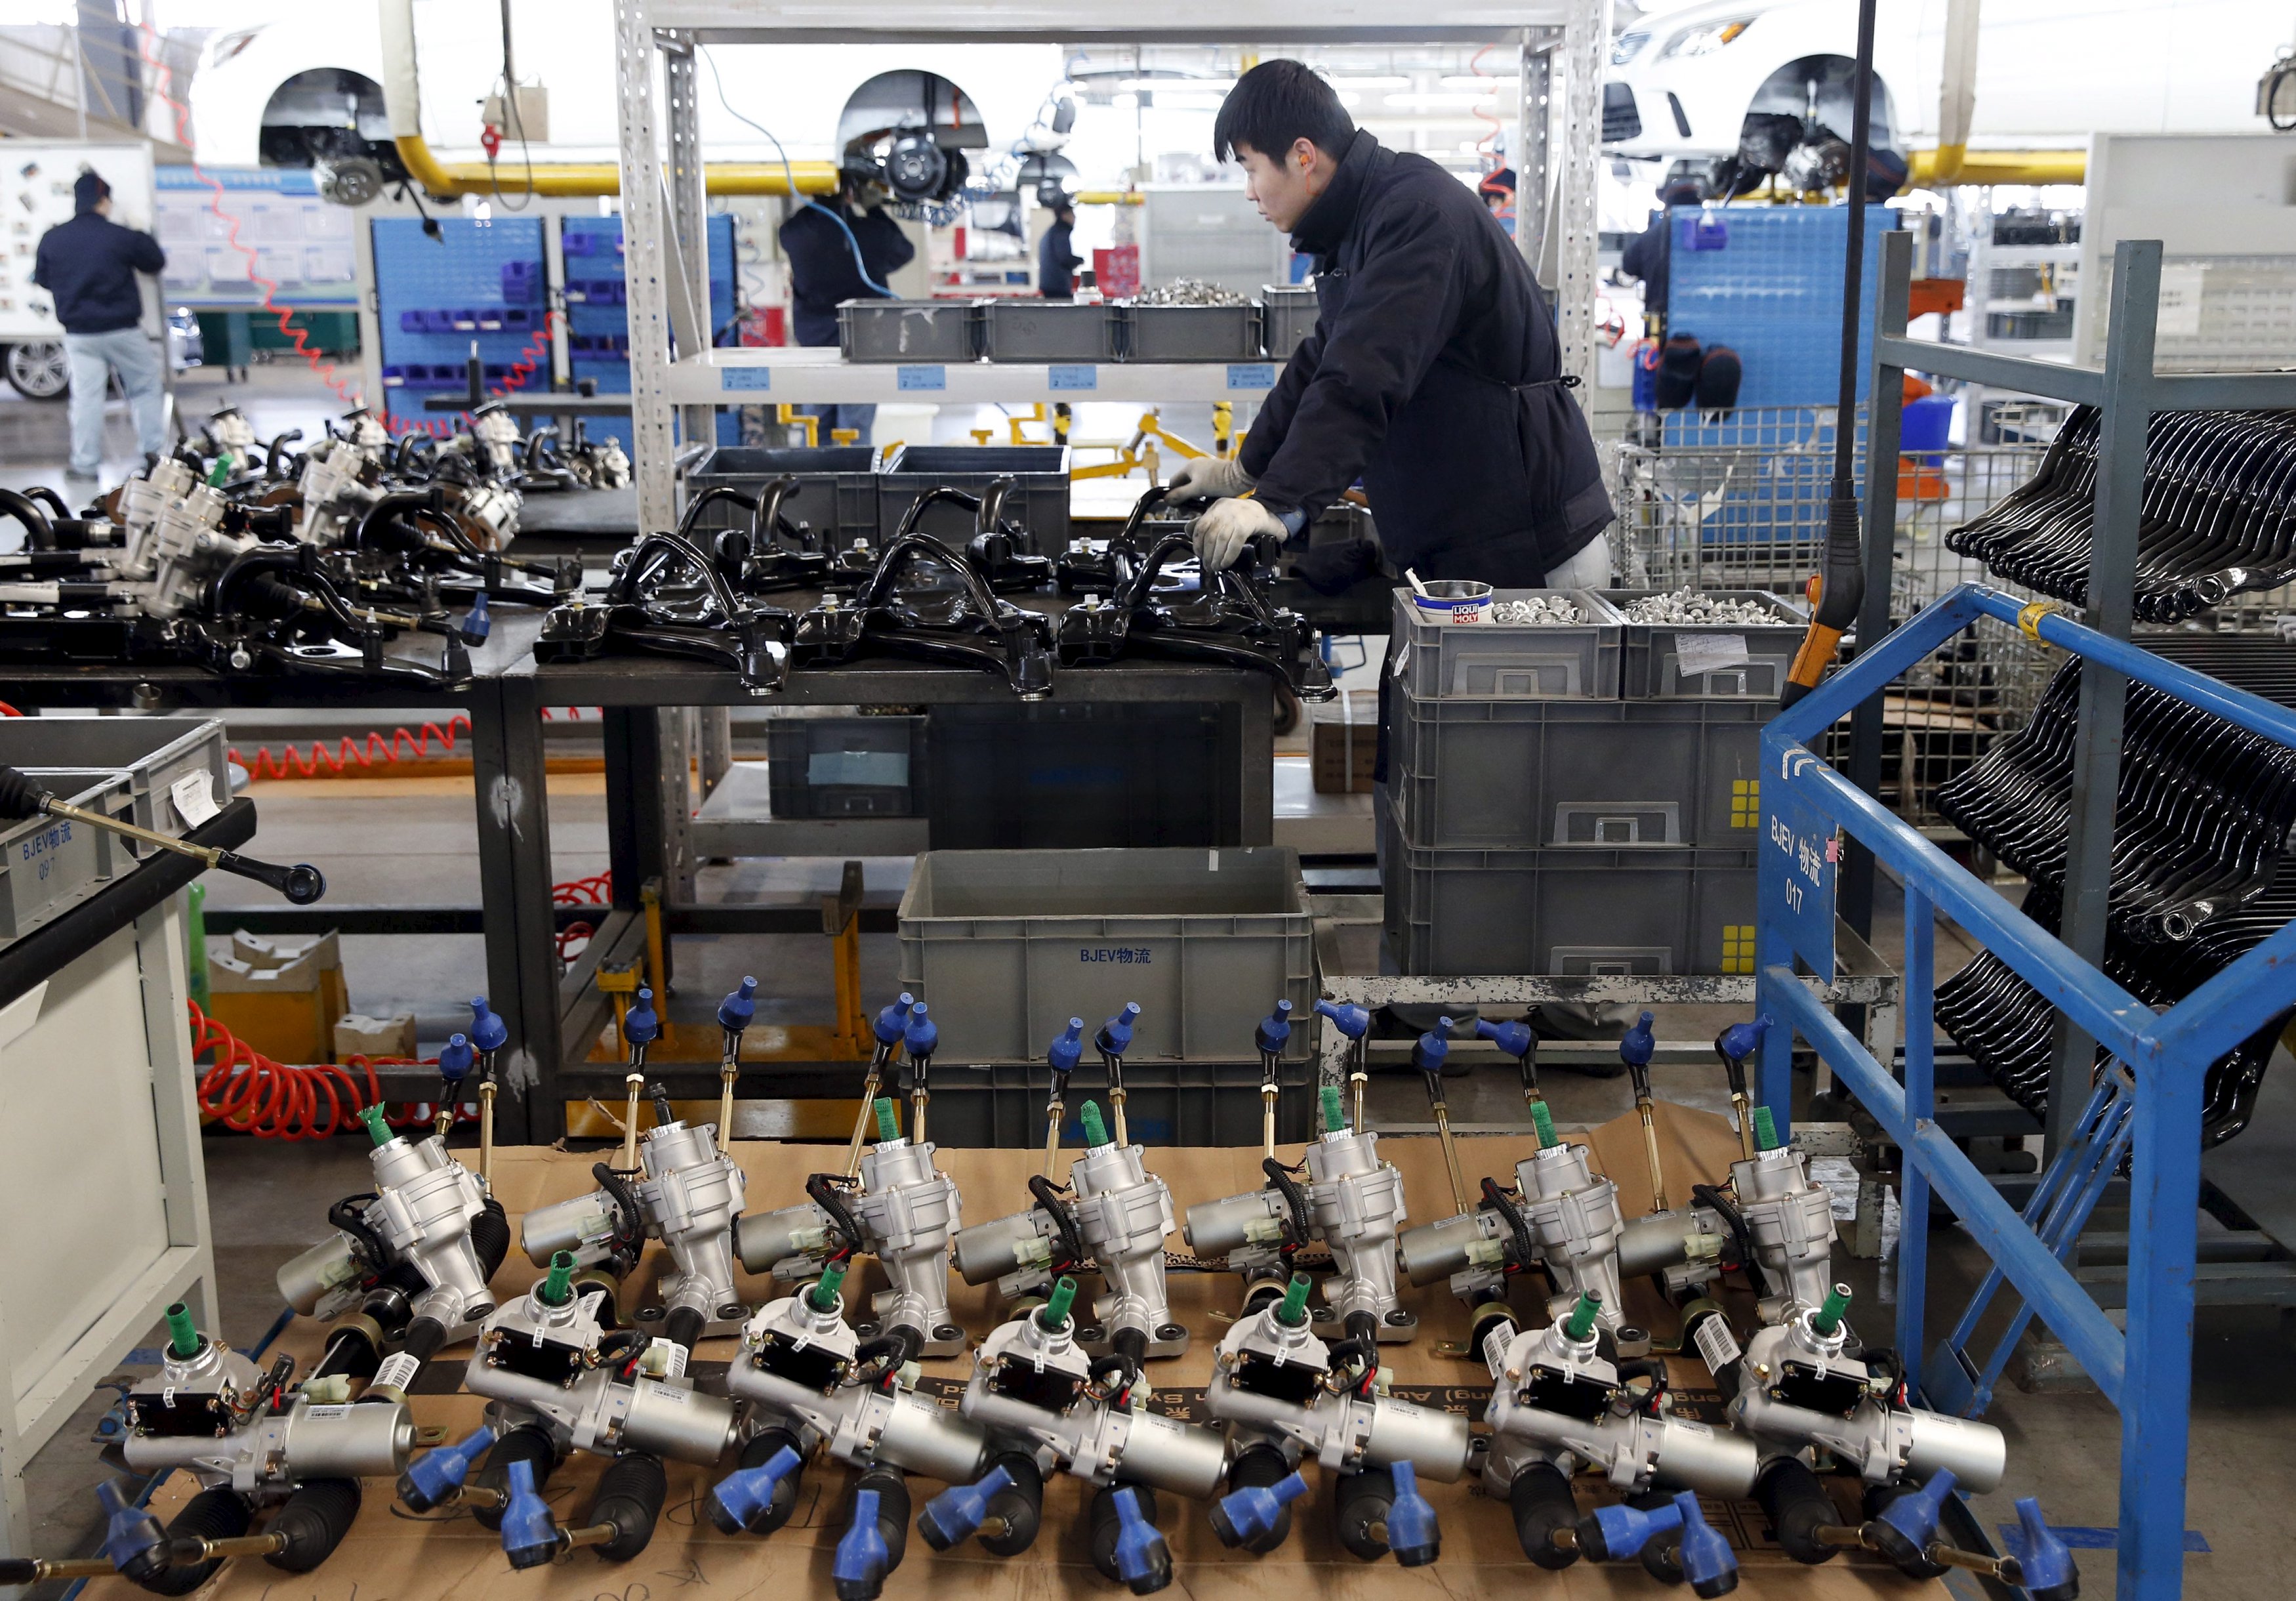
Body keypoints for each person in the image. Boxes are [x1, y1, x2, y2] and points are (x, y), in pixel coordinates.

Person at [1170, 60, 1612, 593]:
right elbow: (1325, 358)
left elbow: (1363, 375)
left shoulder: (1417, 217)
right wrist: (1241, 472)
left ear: (1302, 157)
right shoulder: (1364, 221)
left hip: (1527, 545)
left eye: (1249, 168)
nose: (1249, 191)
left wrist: (1277, 504)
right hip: (1471, 530)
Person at [31, 171, 168, 484]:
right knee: (145, 390)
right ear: (104, 201)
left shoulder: (53, 238)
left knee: (86, 399)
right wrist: (142, 229)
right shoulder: (120, 236)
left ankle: (84, 465)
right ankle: (152, 461)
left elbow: (42, 278)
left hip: (79, 334)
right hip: (122, 330)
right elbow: (155, 262)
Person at [778, 175, 915, 447]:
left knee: (816, 425)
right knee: (855, 426)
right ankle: (855, 485)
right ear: (851, 194)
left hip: (814, 342)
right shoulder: (871, 233)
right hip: (863, 341)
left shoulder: (796, 235)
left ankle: (819, 484)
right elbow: (904, 251)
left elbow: (791, 228)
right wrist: (874, 208)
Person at [1620, 177, 1704, 335]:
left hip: (1659, 322)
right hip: (1699, 321)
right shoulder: (1711, 236)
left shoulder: (1651, 237)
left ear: (1668, 206)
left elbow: (1629, 266)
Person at [1036, 199, 1082, 299]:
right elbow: (1064, 258)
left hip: (1049, 285)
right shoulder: (1061, 232)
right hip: (1058, 286)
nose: (1075, 218)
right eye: (1072, 215)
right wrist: (1080, 260)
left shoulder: (1052, 232)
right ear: (1064, 215)